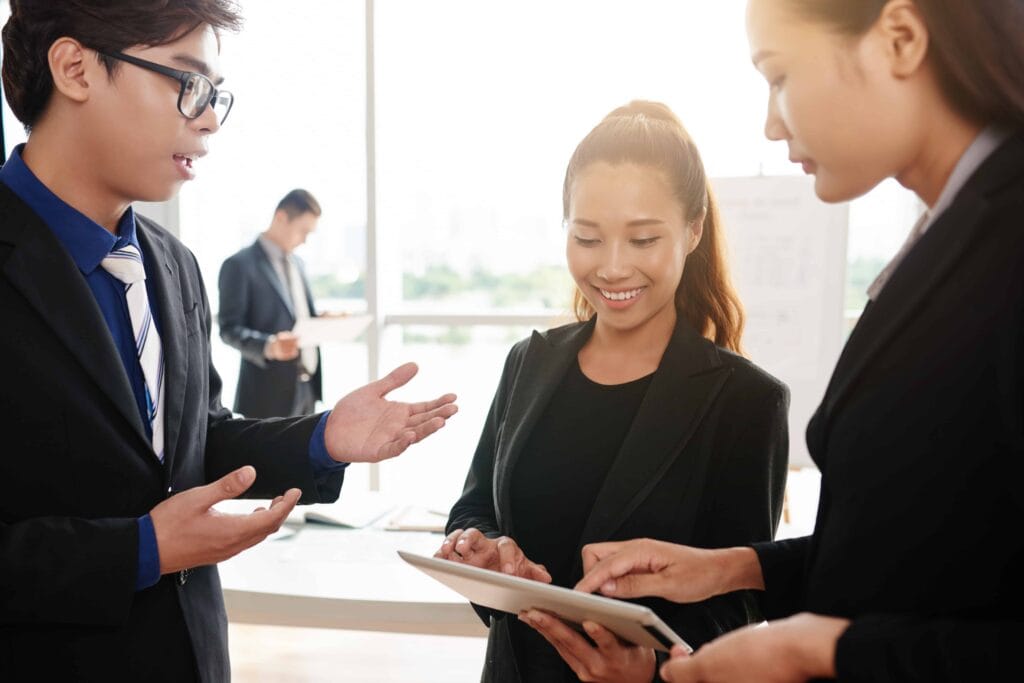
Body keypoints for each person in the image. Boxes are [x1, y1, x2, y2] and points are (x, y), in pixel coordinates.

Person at [0, 2, 457, 681]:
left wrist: (322, 439)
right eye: (187, 83)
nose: (208, 118)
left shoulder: (175, 265)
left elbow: (197, 443)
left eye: (216, 96)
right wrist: (142, 549)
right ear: (75, 68)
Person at [575, 1, 1024, 681]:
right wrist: (734, 567)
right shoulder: (951, 232)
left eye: (779, 76)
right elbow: (932, 548)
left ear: (899, 39)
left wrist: (819, 651)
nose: (771, 122)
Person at [437, 101, 789, 682]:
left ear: (693, 230)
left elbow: (739, 602)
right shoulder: (529, 362)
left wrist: (649, 671)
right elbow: (475, 508)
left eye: (644, 239)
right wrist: (485, 553)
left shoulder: (745, 400)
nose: (613, 267)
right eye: (588, 238)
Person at [219, 188, 327, 418]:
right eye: (303, 231)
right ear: (281, 217)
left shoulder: (298, 263)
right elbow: (228, 329)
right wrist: (269, 346)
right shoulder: (239, 265)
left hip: (307, 388)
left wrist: (322, 320)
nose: (305, 240)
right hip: (266, 396)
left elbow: (298, 317)